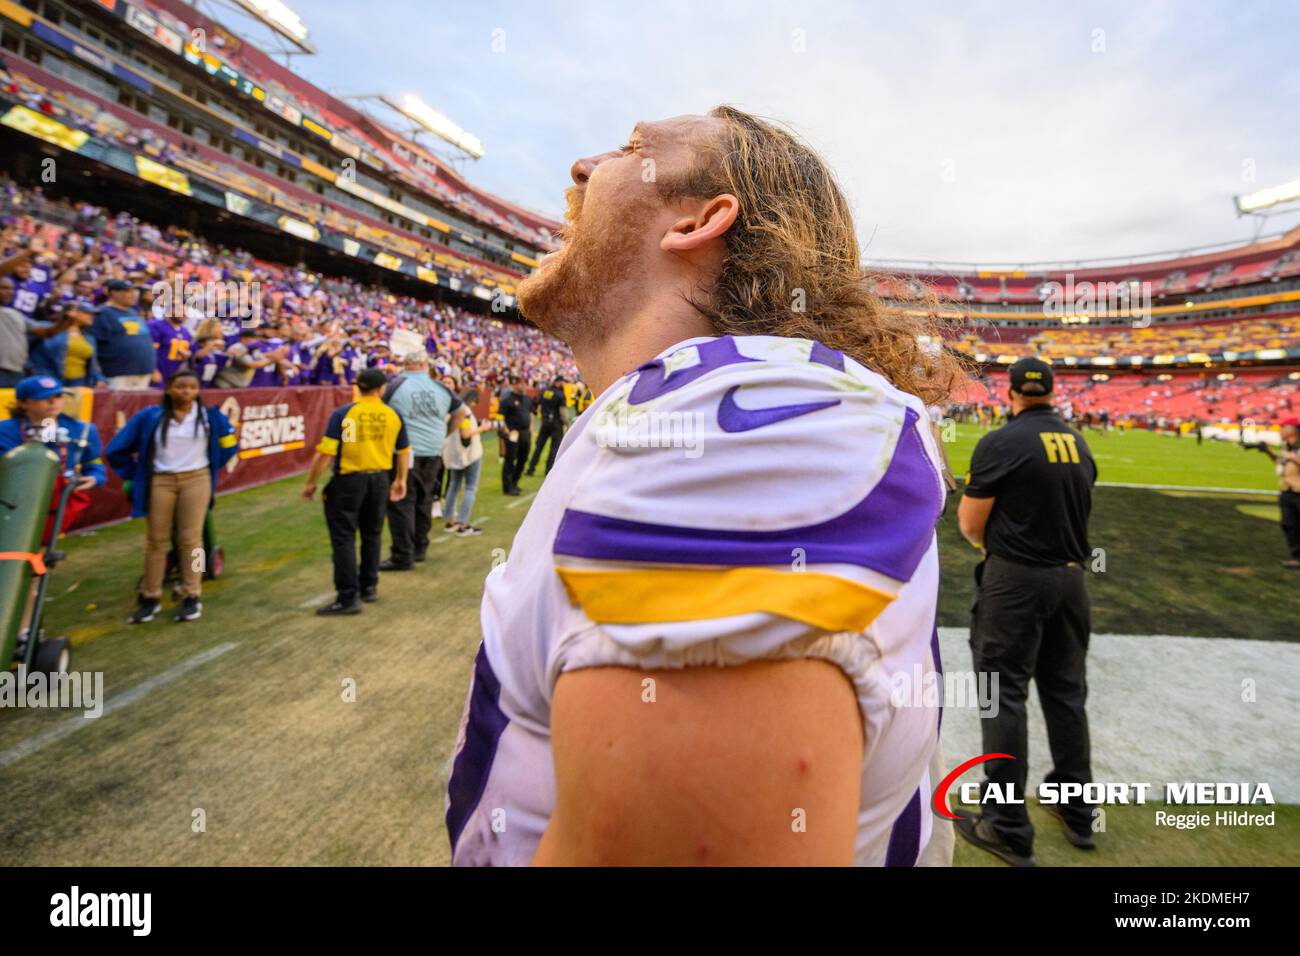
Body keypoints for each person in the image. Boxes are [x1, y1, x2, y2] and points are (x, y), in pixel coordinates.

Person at [446, 108, 964, 866]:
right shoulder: (695, 411)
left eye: (631, 149)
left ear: (699, 220)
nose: (581, 168)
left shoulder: (735, 427)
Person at [955, 357, 1098, 866]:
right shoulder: (1078, 442)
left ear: (1012, 391)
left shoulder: (1002, 441)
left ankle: (1008, 824)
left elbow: (971, 525)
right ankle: (1078, 812)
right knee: (1065, 695)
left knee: (1002, 695)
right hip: (1071, 579)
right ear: (1051, 392)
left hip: (1016, 580)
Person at [105, 369, 239, 623]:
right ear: (168, 389)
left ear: (198, 390)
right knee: (156, 541)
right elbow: (116, 449)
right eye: (180, 386)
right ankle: (150, 596)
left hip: (196, 479)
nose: (186, 392)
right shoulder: (149, 417)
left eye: (191, 387)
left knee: (193, 540)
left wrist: (211, 466)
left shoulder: (210, 417)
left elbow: (229, 444)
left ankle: (193, 593)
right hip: (160, 481)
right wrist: (137, 473)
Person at [302, 367, 409, 615]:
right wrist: (400, 479)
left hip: (349, 480)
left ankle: (348, 596)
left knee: (344, 537)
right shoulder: (392, 414)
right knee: (372, 534)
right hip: (380, 479)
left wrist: (311, 483)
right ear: (381, 389)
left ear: (357, 387)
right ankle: (368, 586)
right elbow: (403, 450)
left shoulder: (346, 413)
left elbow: (327, 452)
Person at [380, 349, 466, 569]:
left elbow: (382, 412)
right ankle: (420, 547)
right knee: (424, 500)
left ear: (406, 363)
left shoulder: (395, 385)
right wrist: (445, 432)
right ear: (424, 364)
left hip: (406, 452)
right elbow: (461, 412)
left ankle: (402, 554)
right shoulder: (439, 387)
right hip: (433, 452)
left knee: (402, 501)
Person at [443, 387, 494, 537]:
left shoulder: (451, 408)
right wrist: (482, 428)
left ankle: (450, 520)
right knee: (470, 487)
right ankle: (462, 524)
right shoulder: (465, 411)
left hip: (453, 453)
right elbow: (465, 433)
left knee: (453, 485)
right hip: (468, 453)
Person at [1250, 416, 1300, 569]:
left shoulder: (1294, 449)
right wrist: (1267, 452)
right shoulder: (1288, 447)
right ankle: (1298, 558)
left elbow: (1291, 459)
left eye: (1283, 427)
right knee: (1289, 525)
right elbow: (1281, 462)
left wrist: (1292, 457)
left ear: (1292, 430)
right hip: (1287, 492)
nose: (1280, 430)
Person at [92, 279, 155, 390]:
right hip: (117, 374)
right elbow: (93, 345)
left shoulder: (133, 312)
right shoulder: (102, 313)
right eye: (127, 291)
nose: (133, 295)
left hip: (143, 372)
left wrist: (153, 368)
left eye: (134, 291)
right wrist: (98, 376)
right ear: (113, 293)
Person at [27, 300, 105, 387]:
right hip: (49, 380)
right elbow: (24, 347)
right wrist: (30, 368)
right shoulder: (47, 328)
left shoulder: (90, 337)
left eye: (93, 314)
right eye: (87, 313)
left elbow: (93, 363)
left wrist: (99, 378)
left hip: (79, 383)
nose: (92, 316)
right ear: (70, 312)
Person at [496, 372, 532, 495]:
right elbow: (500, 418)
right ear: (514, 385)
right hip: (513, 433)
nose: (523, 386)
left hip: (525, 433)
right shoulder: (507, 400)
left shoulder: (527, 399)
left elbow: (529, 414)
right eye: (521, 384)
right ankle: (507, 487)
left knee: (523, 458)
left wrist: (531, 428)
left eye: (524, 383)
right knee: (510, 459)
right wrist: (506, 431)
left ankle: (514, 482)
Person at [526, 375, 567, 476]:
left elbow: (537, 405)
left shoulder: (545, 392)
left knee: (539, 447)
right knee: (554, 448)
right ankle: (548, 470)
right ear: (559, 382)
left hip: (545, 422)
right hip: (556, 423)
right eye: (563, 382)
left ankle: (531, 468)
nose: (564, 384)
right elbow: (562, 412)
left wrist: (540, 416)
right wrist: (567, 423)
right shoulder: (560, 394)